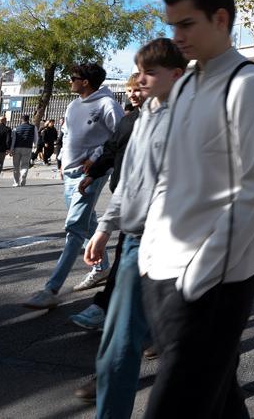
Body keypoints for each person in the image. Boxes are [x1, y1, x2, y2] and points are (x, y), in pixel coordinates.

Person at [137, 0, 254, 419]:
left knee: (176, 406)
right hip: (162, 268)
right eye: (172, 25)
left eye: (186, 24)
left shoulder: (248, 85)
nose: (176, 36)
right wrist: (149, 252)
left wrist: (200, 273)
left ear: (220, 19)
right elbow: (168, 173)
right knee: (216, 400)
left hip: (213, 281)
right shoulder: (186, 87)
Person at [77, 40, 186, 417]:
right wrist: (105, 228)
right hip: (135, 242)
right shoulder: (144, 116)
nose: (140, 80)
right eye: (139, 71)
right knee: (118, 344)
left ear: (176, 75)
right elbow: (129, 182)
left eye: (149, 73)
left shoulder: (190, 118)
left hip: (173, 245)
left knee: (191, 346)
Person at [23, 62, 123, 310]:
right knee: (87, 222)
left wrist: (97, 156)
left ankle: (50, 289)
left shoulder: (107, 104)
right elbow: (67, 135)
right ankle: (101, 268)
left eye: (73, 77)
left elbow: (120, 135)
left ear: (86, 81)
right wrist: (61, 162)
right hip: (68, 172)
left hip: (90, 173)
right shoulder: (72, 105)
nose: (70, 81)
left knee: (74, 227)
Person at [70, 74, 145, 335]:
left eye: (137, 89)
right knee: (130, 260)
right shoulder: (127, 121)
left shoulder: (160, 121)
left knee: (131, 260)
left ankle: (105, 308)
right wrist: (93, 172)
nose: (133, 95)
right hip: (125, 199)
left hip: (149, 206)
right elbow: (111, 151)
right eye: (129, 90)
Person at [10, 115, 38, 187]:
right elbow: (36, 138)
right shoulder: (33, 127)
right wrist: (35, 146)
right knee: (25, 164)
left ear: (21, 120)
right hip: (27, 147)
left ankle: (16, 182)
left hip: (17, 148)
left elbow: (13, 139)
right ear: (28, 120)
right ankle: (23, 177)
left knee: (16, 165)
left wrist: (11, 149)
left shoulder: (16, 128)